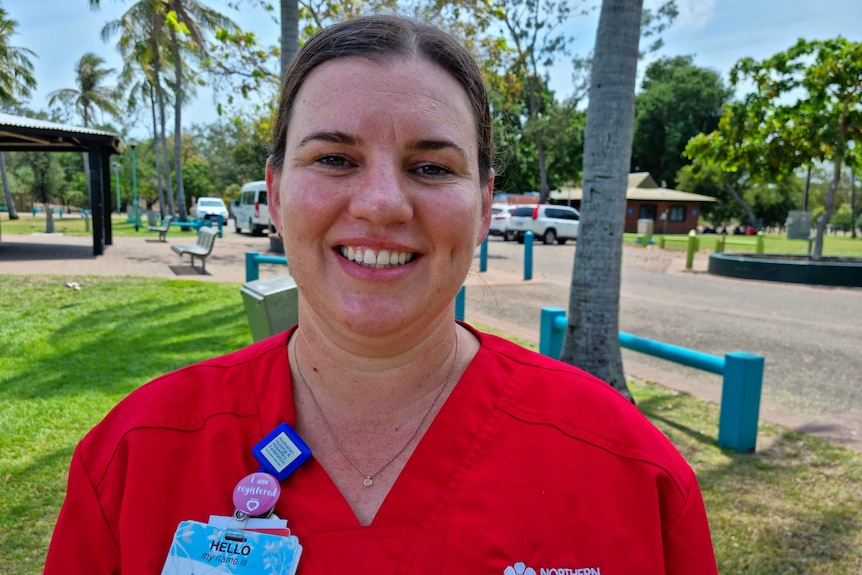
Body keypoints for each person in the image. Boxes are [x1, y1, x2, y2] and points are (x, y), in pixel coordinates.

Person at [45, 14, 717, 575]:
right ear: (276, 193)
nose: (383, 203)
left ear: (484, 207)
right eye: (335, 158)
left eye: (431, 167)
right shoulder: (135, 457)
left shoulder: (631, 474)